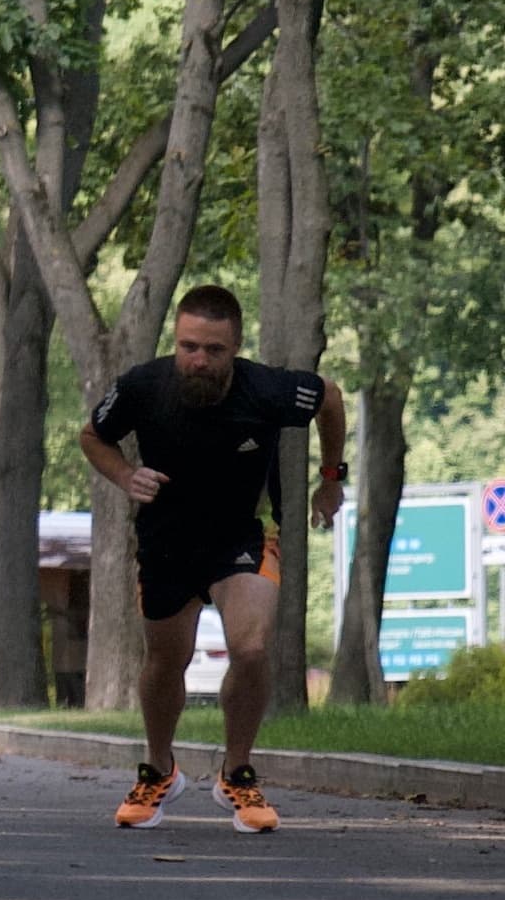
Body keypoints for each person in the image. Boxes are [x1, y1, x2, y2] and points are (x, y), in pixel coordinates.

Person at [82, 284, 345, 833]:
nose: (198, 361)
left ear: (236, 347)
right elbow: (92, 437)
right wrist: (127, 476)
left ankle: (238, 772)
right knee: (164, 662)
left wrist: (330, 479)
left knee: (250, 647)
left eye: (213, 350)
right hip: (167, 540)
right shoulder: (142, 385)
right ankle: (158, 769)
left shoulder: (268, 389)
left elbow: (332, 398)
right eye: (188, 347)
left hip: (242, 536)